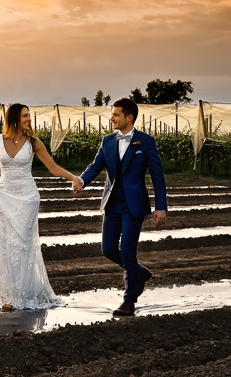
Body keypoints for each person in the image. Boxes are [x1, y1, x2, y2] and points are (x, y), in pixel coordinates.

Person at [0, 103, 82, 311]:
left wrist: (73, 177)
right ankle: (8, 297)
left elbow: (53, 168)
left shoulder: (34, 143)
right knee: (5, 245)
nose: (29, 118)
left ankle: (24, 295)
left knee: (22, 247)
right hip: (4, 197)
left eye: (29, 115)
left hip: (27, 199)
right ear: (14, 118)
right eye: (25, 115)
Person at [74, 98, 168, 316]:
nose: (112, 118)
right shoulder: (107, 141)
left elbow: (157, 176)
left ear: (129, 117)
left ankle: (129, 301)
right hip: (112, 204)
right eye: (112, 114)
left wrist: (160, 206)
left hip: (134, 205)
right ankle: (140, 273)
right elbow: (96, 166)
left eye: (116, 114)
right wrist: (82, 181)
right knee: (108, 249)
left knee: (127, 251)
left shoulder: (146, 142)